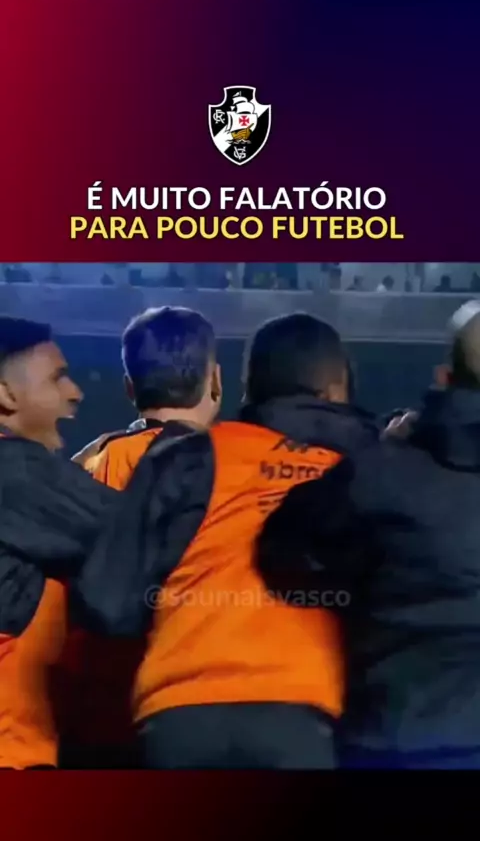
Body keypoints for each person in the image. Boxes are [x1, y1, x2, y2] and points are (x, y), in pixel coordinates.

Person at [74, 312, 378, 769]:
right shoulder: (368, 469)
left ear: (242, 387)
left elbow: (107, 601)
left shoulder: (191, 456)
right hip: (308, 706)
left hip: (179, 709)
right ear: (338, 388)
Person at [258, 300, 480, 769]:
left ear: (444, 378)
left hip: (390, 737)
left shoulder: (378, 473)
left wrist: (359, 584)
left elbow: (281, 555)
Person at [59, 306, 222, 768]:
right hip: (196, 695)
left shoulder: (92, 461)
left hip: (98, 694)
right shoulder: (232, 462)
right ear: (215, 380)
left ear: (130, 387)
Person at [0, 316, 114, 769]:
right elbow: (138, 534)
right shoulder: (17, 469)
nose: (75, 392)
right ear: (6, 395)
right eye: (57, 378)